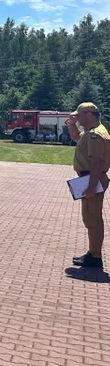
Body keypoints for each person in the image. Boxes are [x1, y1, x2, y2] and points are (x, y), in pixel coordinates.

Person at [68, 103, 110, 269]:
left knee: (93, 219)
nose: (77, 119)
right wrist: (72, 125)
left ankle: (95, 256)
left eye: (79, 116)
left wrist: (92, 187)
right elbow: (75, 137)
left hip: (92, 179)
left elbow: (97, 162)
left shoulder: (95, 135)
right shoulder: (89, 132)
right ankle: (93, 253)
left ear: (88, 115)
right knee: (90, 218)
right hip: (89, 179)